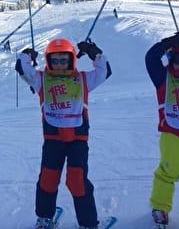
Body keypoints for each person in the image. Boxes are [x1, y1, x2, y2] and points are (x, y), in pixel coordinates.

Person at [15, 38, 112, 229]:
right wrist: (27, 55)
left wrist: (94, 52)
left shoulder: (83, 79)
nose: (59, 65)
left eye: (63, 60)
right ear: (49, 61)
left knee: (77, 180)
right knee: (48, 179)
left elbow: (104, 72)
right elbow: (21, 67)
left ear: (71, 60)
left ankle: (89, 223)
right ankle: (44, 217)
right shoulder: (41, 79)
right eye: (55, 60)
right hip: (53, 139)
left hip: (78, 140)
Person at [145, 31, 179, 227]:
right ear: (170, 57)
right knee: (168, 171)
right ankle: (160, 207)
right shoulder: (163, 77)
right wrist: (166, 43)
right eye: (177, 57)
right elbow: (151, 58)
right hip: (172, 133)